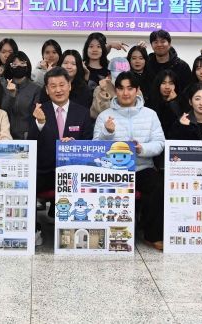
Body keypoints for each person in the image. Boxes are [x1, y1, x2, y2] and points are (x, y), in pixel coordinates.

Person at [93, 72, 166, 250]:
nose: (125, 93)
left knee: (157, 185)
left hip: (142, 167)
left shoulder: (150, 115)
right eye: (121, 89)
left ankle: (152, 235)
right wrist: (107, 133)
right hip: (113, 171)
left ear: (137, 90)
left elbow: (160, 143)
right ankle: (106, 233)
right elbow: (95, 147)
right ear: (116, 91)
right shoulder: (105, 116)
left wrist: (142, 148)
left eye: (130, 88)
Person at [28, 67, 94, 245]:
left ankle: (77, 229)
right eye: (53, 86)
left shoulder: (82, 112)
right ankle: (33, 229)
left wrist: (75, 146)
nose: (58, 90)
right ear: (47, 89)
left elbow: (89, 143)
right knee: (26, 184)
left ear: (69, 86)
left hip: (73, 171)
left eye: (62, 85)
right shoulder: (39, 110)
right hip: (45, 170)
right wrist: (40, 122)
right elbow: (31, 142)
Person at [1, 51, 40, 139]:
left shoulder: (36, 89)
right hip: (5, 136)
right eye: (14, 64)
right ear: (9, 67)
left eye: (22, 63)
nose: (19, 66)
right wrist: (12, 96)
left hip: (27, 137)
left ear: (27, 65)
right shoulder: (2, 86)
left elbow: (35, 115)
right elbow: (2, 112)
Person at [147, 69, 183, 135]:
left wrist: (173, 102)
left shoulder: (182, 102)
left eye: (171, 83)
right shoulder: (150, 103)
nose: (167, 87)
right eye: (163, 83)